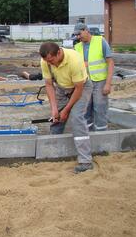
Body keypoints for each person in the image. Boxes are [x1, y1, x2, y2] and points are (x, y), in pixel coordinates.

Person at [40, 42, 93, 173]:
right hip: (62, 88)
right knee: (56, 120)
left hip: (80, 88)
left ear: (59, 52)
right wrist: (54, 109)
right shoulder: (45, 61)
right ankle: (54, 153)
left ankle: (86, 161)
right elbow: (48, 84)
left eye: (52, 60)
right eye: (48, 61)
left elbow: (79, 88)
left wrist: (66, 110)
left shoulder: (75, 59)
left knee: (76, 118)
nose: (51, 64)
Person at [73, 23, 114, 131]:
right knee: (85, 109)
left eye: (79, 34)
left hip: (100, 81)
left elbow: (110, 63)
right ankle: (88, 133)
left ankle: (101, 134)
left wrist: (108, 84)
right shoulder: (77, 47)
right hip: (85, 83)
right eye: (76, 35)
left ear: (86, 30)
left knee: (100, 108)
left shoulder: (100, 41)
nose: (78, 37)